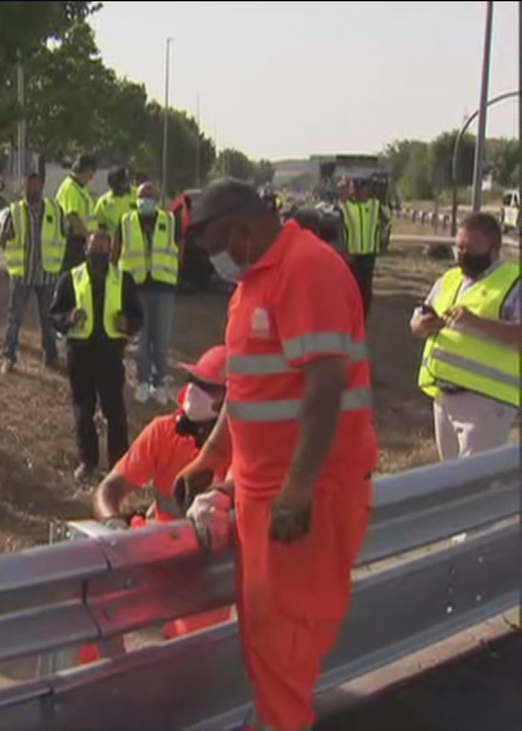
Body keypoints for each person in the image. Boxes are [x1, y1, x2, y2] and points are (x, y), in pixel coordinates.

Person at [179, 178, 378, 731]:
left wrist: (296, 488)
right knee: (266, 640)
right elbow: (246, 394)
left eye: (211, 241)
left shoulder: (306, 270)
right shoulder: (253, 287)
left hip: (308, 496)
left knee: (283, 641)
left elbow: (324, 385)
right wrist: (211, 459)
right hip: (267, 494)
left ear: (241, 228)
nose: (210, 257)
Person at [78, 345, 234, 660]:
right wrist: (113, 525)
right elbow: (108, 489)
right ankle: (92, 686)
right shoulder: (164, 432)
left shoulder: (242, 450)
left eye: (207, 386)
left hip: (205, 565)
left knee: (191, 651)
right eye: (194, 382)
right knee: (91, 607)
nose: (194, 391)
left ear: (231, 400)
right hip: (155, 553)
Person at [411, 212, 520, 460]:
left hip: (487, 402)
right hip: (444, 396)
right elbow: (416, 323)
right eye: (458, 246)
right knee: (450, 479)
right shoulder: (449, 279)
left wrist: (475, 322)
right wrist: (423, 324)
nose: (462, 253)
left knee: (473, 482)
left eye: (470, 248)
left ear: (494, 248)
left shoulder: (514, 282)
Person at [50, 231, 142, 480]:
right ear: (86, 251)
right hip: (80, 354)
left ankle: (119, 464)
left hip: (110, 354)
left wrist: (127, 323)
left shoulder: (123, 280)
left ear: (110, 252)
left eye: (104, 249)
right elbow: (55, 316)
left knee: (114, 410)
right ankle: (88, 462)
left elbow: (138, 317)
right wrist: (69, 318)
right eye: (95, 249)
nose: (99, 254)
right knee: (83, 409)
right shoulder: (70, 279)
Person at [119, 181, 181, 404]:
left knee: (161, 339)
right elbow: (118, 252)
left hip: (163, 287)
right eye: (142, 195)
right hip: (137, 287)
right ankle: (143, 381)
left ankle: (160, 382)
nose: (146, 199)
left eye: (150, 195)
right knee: (141, 338)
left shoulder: (170, 221)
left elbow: (178, 250)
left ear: (158, 199)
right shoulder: (126, 222)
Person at [0, 171, 66, 373]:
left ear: (42, 186)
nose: (32, 189)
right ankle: (9, 356)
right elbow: (4, 239)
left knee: (48, 318)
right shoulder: (15, 211)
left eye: (36, 185)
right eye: (28, 186)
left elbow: (63, 236)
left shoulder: (55, 210)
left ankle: (51, 356)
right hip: (22, 274)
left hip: (47, 274)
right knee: (14, 318)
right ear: (23, 187)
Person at [341, 177, 386, 317]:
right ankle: (351, 315)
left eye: (361, 189)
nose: (358, 193)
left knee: (366, 290)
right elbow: (340, 229)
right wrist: (345, 252)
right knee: (352, 288)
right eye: (355, 189)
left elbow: (386, 221)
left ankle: (362, 317)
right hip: (352, 256)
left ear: (367, 190)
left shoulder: (375, 206)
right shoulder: (346, 207)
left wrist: (382, 242)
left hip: (369, 254)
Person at [56, 153, 99, 274]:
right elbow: (72, 216)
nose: (91, 177)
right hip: (73, 241)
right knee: (71, 276)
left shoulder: (81, 188)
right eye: (91, 172)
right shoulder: (70, 188)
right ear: (85, 169)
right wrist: (88, 236)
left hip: (82, 240)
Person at [94, 166, 137, 237]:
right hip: (114, 242)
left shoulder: (138, 194)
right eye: (115, 185)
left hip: (136, 240)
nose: (119, 187)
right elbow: (100, 224)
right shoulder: (104, 201)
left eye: (122, 183)